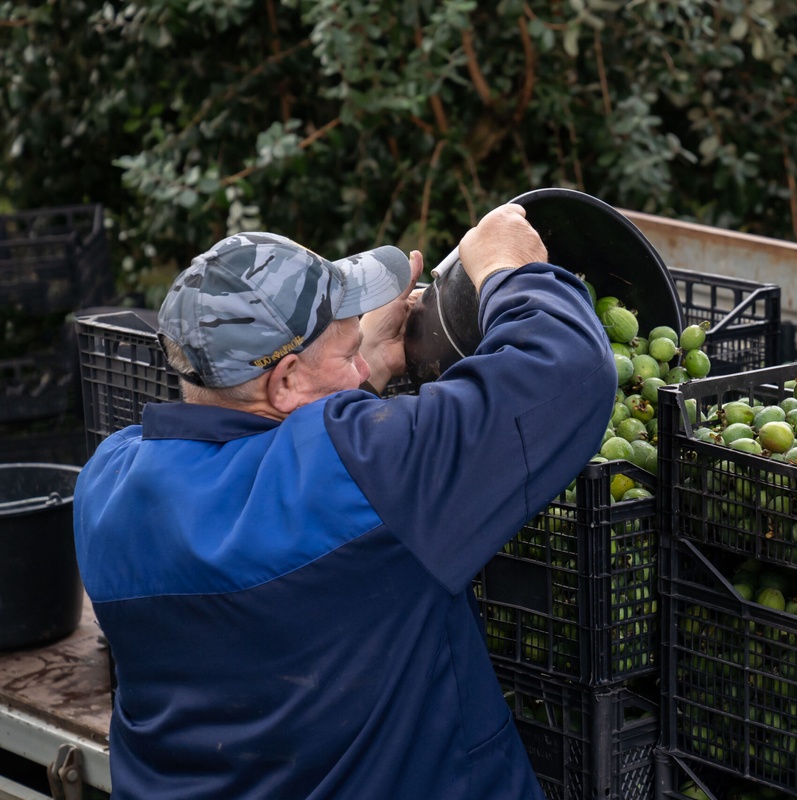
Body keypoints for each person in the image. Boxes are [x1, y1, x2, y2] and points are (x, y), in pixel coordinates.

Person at [73, 204, 618, 799]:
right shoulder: (362, 472)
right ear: (284, 382)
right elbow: (569, 374)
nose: (360, 363)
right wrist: (511, 269)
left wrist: (371, 366)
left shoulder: (107, 483)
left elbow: (282, 468)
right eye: (345, 352)